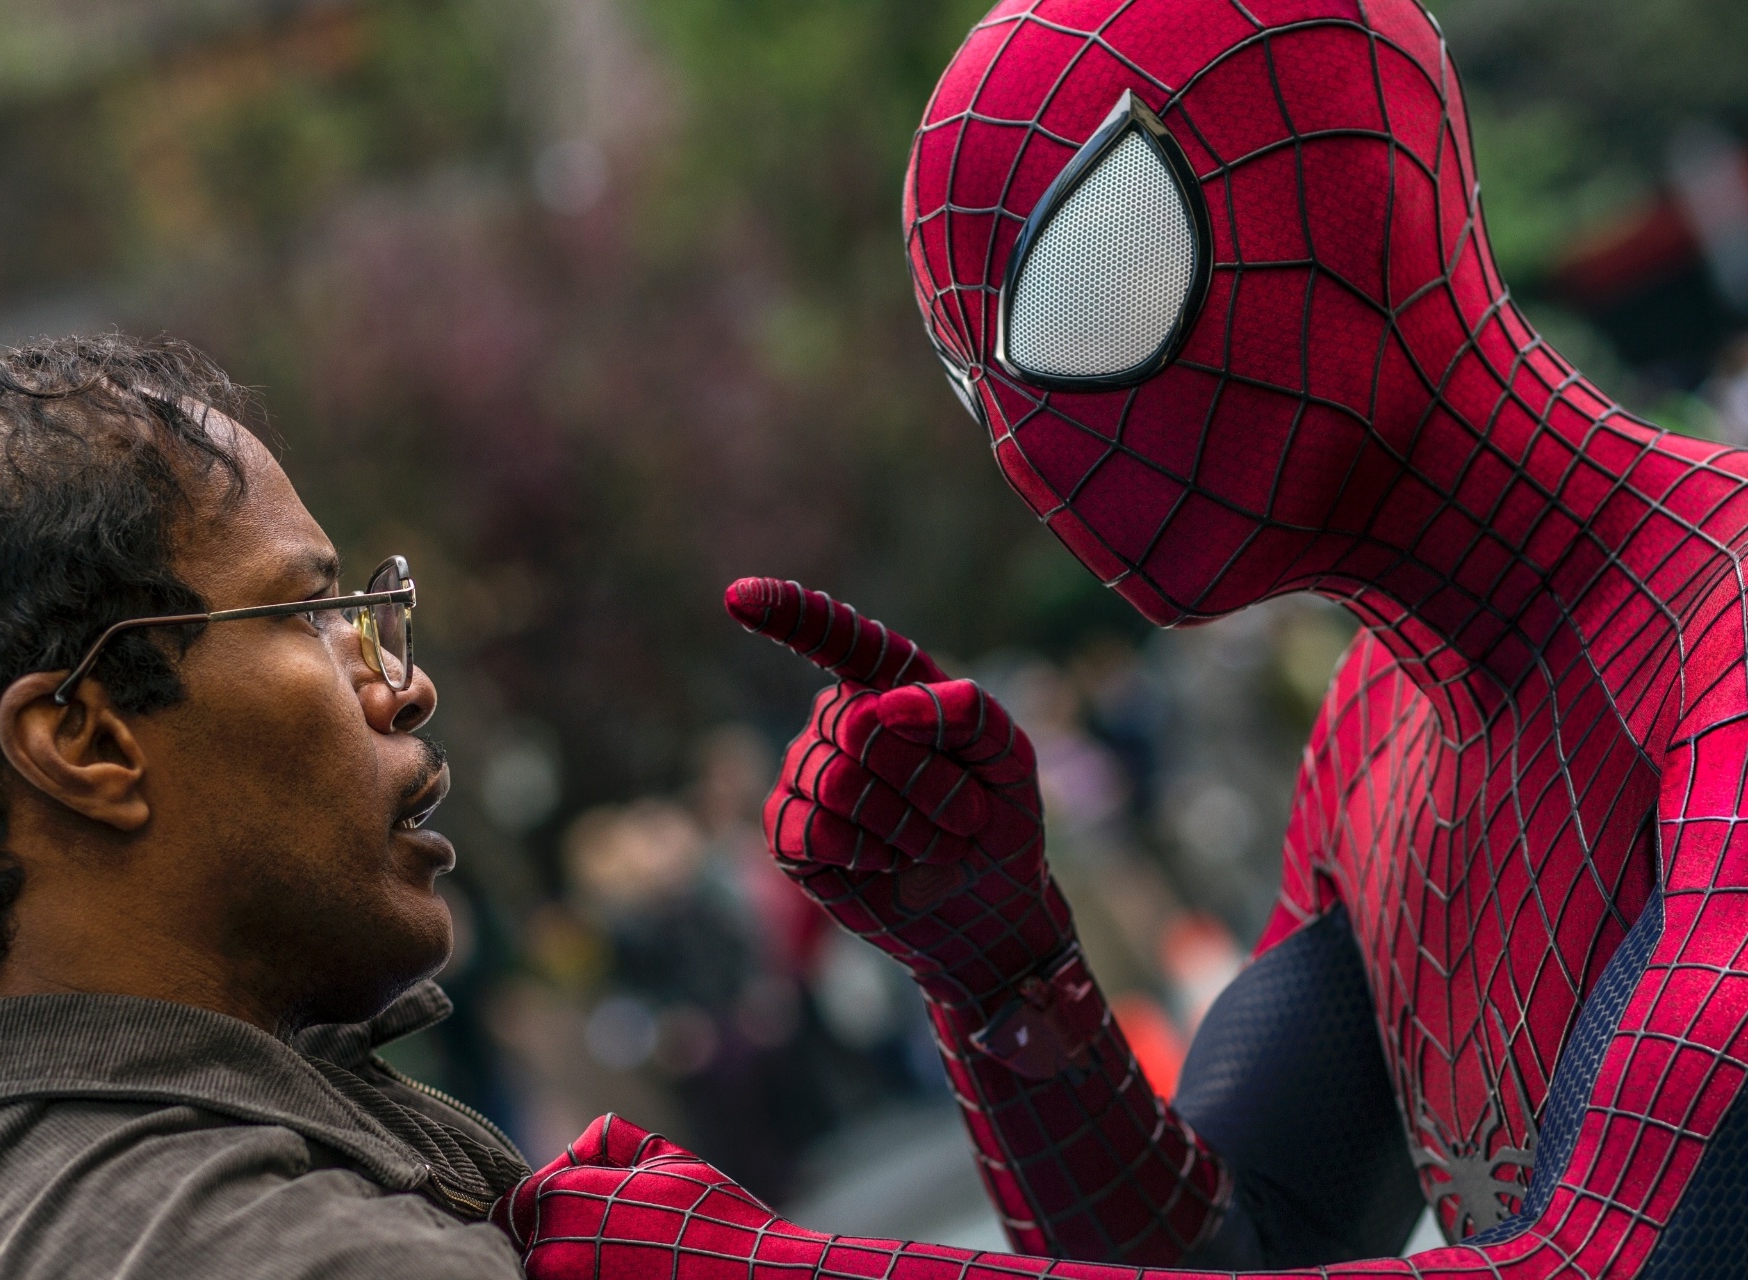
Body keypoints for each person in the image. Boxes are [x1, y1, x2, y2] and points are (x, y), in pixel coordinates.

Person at [495, 0, 1748, 1276]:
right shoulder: (1375, 741)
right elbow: (1228, 1248)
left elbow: (1610, 1258)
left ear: (1349, 161)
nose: (1028, 441)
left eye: (1097, 276)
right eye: (974, 377)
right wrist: (1004, 971)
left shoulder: (1728, 630)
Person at [0, 336, 528, 1278]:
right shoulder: (292, 1256)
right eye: (307, 613)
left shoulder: (1, 1207)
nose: (403, 688)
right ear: (87, 742)